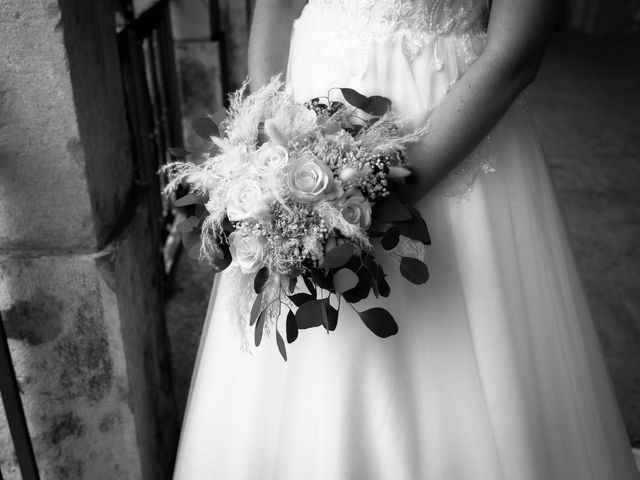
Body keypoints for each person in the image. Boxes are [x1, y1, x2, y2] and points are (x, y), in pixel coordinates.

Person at [172, 1, 640, 478]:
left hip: (449, 122)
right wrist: (268, 148)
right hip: (304, 112)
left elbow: (515, 54)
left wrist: (378, 195)